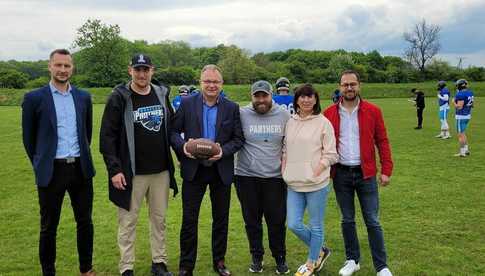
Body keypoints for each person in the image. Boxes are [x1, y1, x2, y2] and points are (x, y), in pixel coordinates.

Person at [99, 54, 178, 276]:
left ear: (152, 70)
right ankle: (127, 267)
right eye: (137, 69)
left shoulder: (161, 94)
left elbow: (171, 128)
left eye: (146, 69)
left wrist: (183, 151)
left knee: (159, 220)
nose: (142, 74)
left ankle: (159, 262)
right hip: (131, 172)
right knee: (128, 221)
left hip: (160, 171)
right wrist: (115, 170)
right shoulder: (119, 97)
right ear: (130, 71)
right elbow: (107, 137)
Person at [21, 49, 96, 276]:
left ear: (72, 68)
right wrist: (41, 163)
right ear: (50, 66)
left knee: (85, 222)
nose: (63, 70)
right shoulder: (34, 98)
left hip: (80, 169)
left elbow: (87, 133)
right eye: (59, 65)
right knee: (48, 227)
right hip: (51, 170)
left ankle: (86, 269)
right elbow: (29, 139)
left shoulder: (83, 97)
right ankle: (48, 272)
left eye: (67, 66)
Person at [170, 64, 244, 276]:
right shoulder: (186, 104)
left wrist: (223, 151)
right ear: (200, 82)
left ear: (222, 84)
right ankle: (186, 265)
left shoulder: (232, 107)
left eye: (216, 81)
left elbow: (238, 139)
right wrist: (184, 147)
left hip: (221, 170)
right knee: (189, 219)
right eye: (207, 81)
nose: (211, 85)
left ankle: (219, 261)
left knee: (221, 219)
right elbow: (173, 132)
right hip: (194, 169)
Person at [324, 70, 394, 276]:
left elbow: (382, 141)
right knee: (347, 219)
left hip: (366, 174)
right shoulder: (329, 113)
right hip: (341, 174)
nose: (349, 88)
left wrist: (386, 169)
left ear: (359, 86)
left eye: (352, 84)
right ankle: (352, 260)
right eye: (345, 84)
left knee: (372, 220)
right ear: (339, 87)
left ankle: (381, 266)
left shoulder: (373, 111)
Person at [234, 80, 290, 274]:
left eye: (264, 95)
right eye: (257, 96)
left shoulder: (283, 114)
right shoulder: (241, 113)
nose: (261, 100)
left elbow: (291, 142)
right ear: (252, 97)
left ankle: (280, 257)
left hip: (275, 177)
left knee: (276, 221)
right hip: (246, 176)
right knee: (252, 221)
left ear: (271, 95)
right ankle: (256, 257)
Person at [282, 84, 338, 276]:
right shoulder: (290, 122)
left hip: (316, 184)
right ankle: (321, 250)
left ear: (315, 100)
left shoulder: (323, 123)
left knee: (316, 225)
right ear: (296, 100)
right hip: (293, 183)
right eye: (302, 96)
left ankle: (312, 262)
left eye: (310, 96)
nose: (306, 100)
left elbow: (331, 154)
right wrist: (284, 169)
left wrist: (317, 169)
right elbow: (286, 150)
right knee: (293, 224)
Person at [453, 79, 474, 157]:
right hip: (467, 115)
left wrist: (453, 102)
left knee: (460, 135)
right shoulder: (470, 92)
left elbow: (459, 107)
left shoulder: (460, 94)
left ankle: (462, 152)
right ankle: (466, 150)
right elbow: (472, 105)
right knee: (463, 133)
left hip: (461, 116)